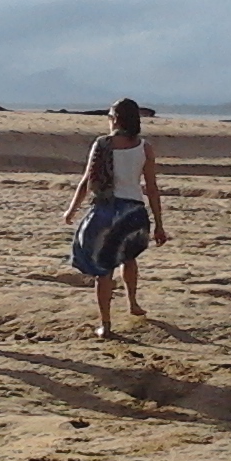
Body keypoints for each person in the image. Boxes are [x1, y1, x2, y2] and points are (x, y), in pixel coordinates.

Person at [63, 96, 167, 338]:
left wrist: (72, 209)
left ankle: (106, 323)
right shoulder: (144, 147)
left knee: (103, 269)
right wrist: (159, 225)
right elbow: (151, 188)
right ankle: (132, 303)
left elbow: (87, 181)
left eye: (110, 117)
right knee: (128, 259)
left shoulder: (102, 144)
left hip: (106, 212)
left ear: (116, 119)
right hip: (134, 213)